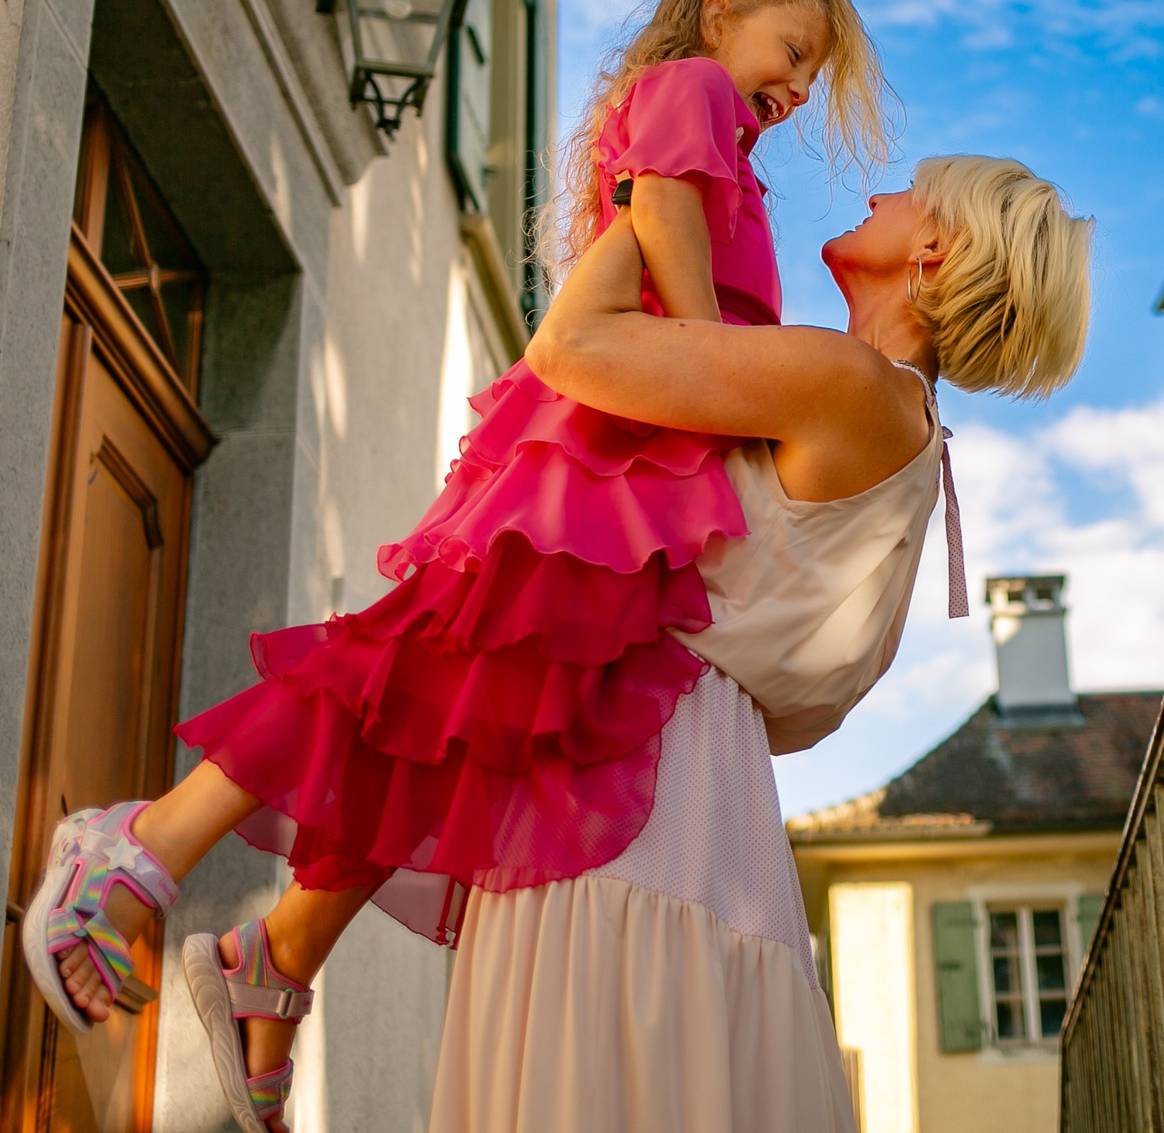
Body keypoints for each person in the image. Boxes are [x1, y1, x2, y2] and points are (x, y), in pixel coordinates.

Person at [12, 0, 885, 1133]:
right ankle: (139, 845)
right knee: (408, 671)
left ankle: (277, 959)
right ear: (723, 11)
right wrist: (723, 384)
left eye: (813, 73)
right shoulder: (691, 88)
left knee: (466, 725)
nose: (797, 86)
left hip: (631, 485)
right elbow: (669, 240)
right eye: (795, 53)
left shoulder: (726, 137)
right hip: (593, 479)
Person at [429, 153, 1093, 1132]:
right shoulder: (903, 427)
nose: (877, 195)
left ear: (932, 246)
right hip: (716, 796)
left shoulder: (845, 381)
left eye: (906, 193)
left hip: (635, 781)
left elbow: (570, 348)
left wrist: (646, 186)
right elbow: (811, 704)